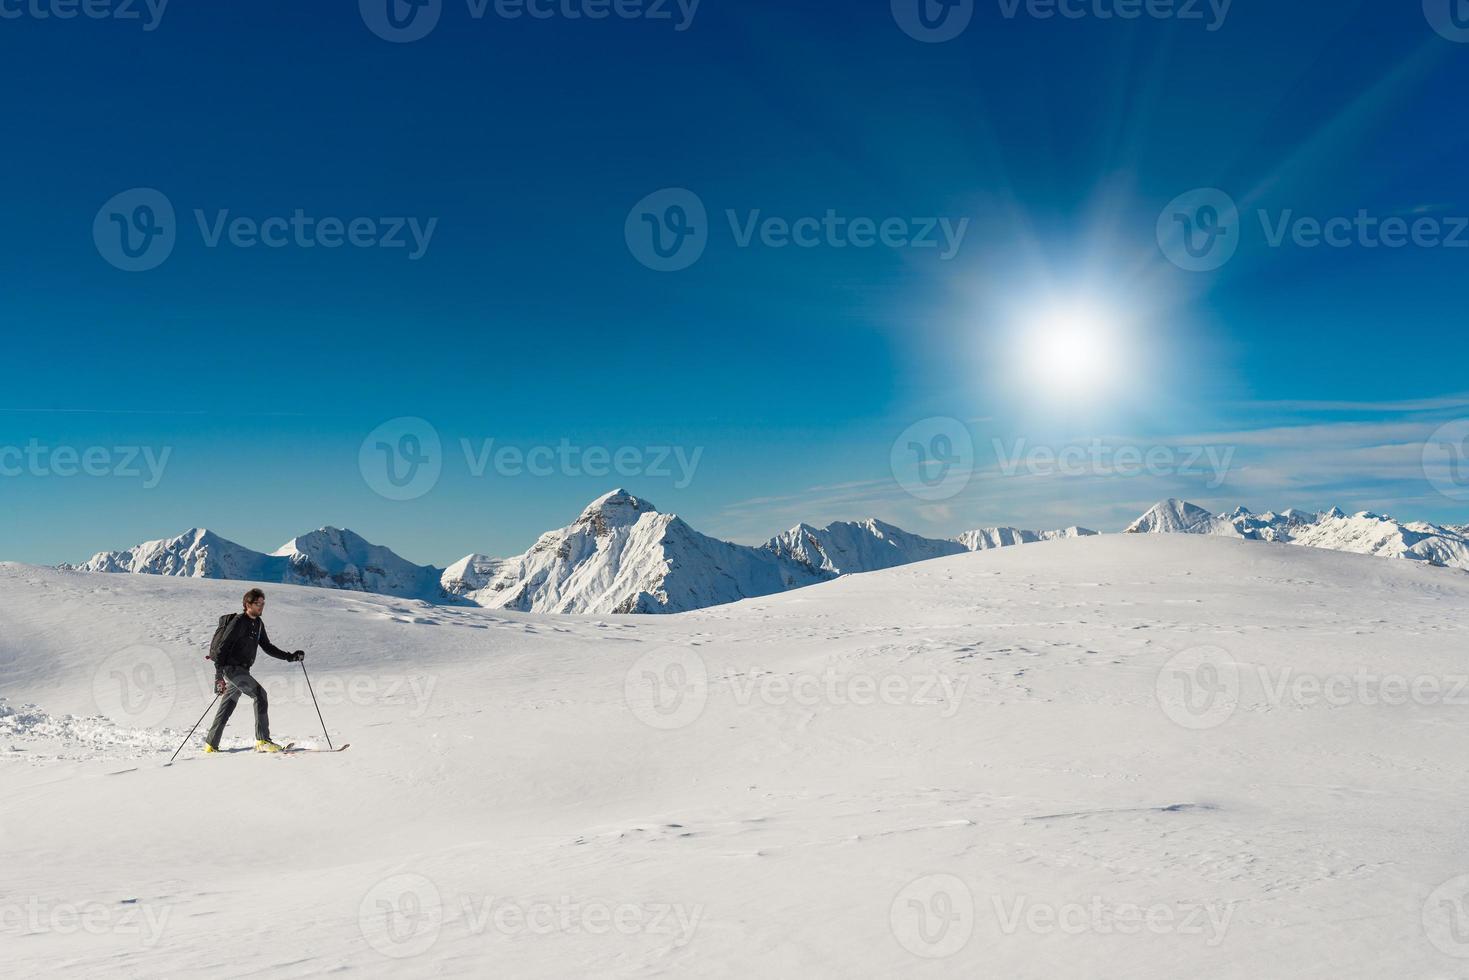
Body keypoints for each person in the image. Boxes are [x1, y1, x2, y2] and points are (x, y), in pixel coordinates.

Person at [203, 588, 305, 753]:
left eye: (263, 603)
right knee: (259, 694)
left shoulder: (257, 623)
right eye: (258, 603)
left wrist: (290, 657)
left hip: (243, 670)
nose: (261, 607)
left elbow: (267, 647)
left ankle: (210, 744)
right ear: (247, 604)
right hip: (232, 669)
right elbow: (223, 648)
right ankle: (263, 740)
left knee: (227, 706)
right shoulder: (238, 621)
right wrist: (218, 677)